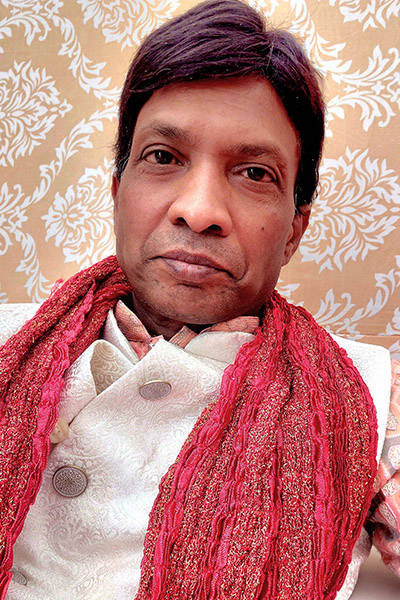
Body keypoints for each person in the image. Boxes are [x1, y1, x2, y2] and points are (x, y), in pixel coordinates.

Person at [0, 1, 397, 599]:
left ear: (295, 228)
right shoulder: (8, 344)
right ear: (117, 191)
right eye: (163, 157)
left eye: (255, 173)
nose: (200, 209)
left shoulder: (372, 400)